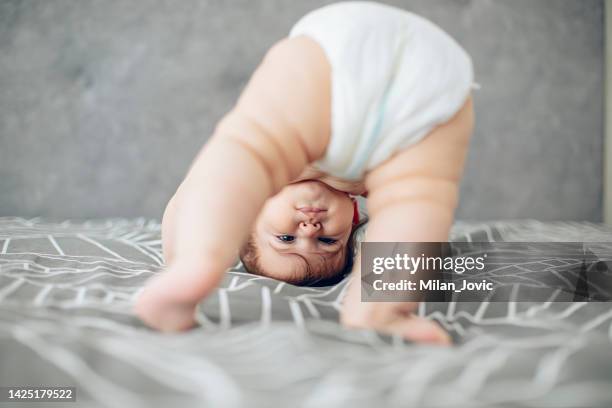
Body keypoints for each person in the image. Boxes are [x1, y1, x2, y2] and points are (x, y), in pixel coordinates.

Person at [135, 1, 476, 345]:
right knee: (421, 200)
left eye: (285, 239)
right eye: (328, 242)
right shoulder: (376, 183)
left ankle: (196, 263)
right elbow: (406, 230)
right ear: (354, 219)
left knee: (243, 150)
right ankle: (380, 311)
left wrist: (179, 255)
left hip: (334, 56)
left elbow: (197, 190)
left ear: (250, 213)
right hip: (432, 84)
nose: (310, 230)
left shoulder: (267, 168)